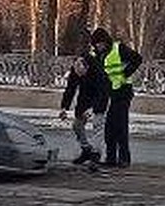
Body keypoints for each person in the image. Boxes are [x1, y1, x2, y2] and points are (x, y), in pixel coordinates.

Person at [89, 27, 143, 167]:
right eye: (96, 44)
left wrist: (125, 74)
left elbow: (137, 59)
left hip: (123, 92)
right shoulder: (99, 56)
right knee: (109, 128)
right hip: (111, 94)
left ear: (105, 41)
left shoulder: (118, 49)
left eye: (100, 43)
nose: (98, 46)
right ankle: (111, 158)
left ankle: (124, 159)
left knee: (120, 126)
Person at [58, 51, 109, 170]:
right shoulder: (75, 70)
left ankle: (95, 155)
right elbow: (70, 89)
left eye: (82, 73)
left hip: (100, 97)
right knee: (77, 125)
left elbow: (102, 93)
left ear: (87, 67)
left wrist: (92, 109)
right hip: (84, 98)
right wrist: (64, 108)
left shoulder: (97, 70)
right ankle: (86, 149)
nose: (80, 76)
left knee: (98, 125)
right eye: (78, 73)